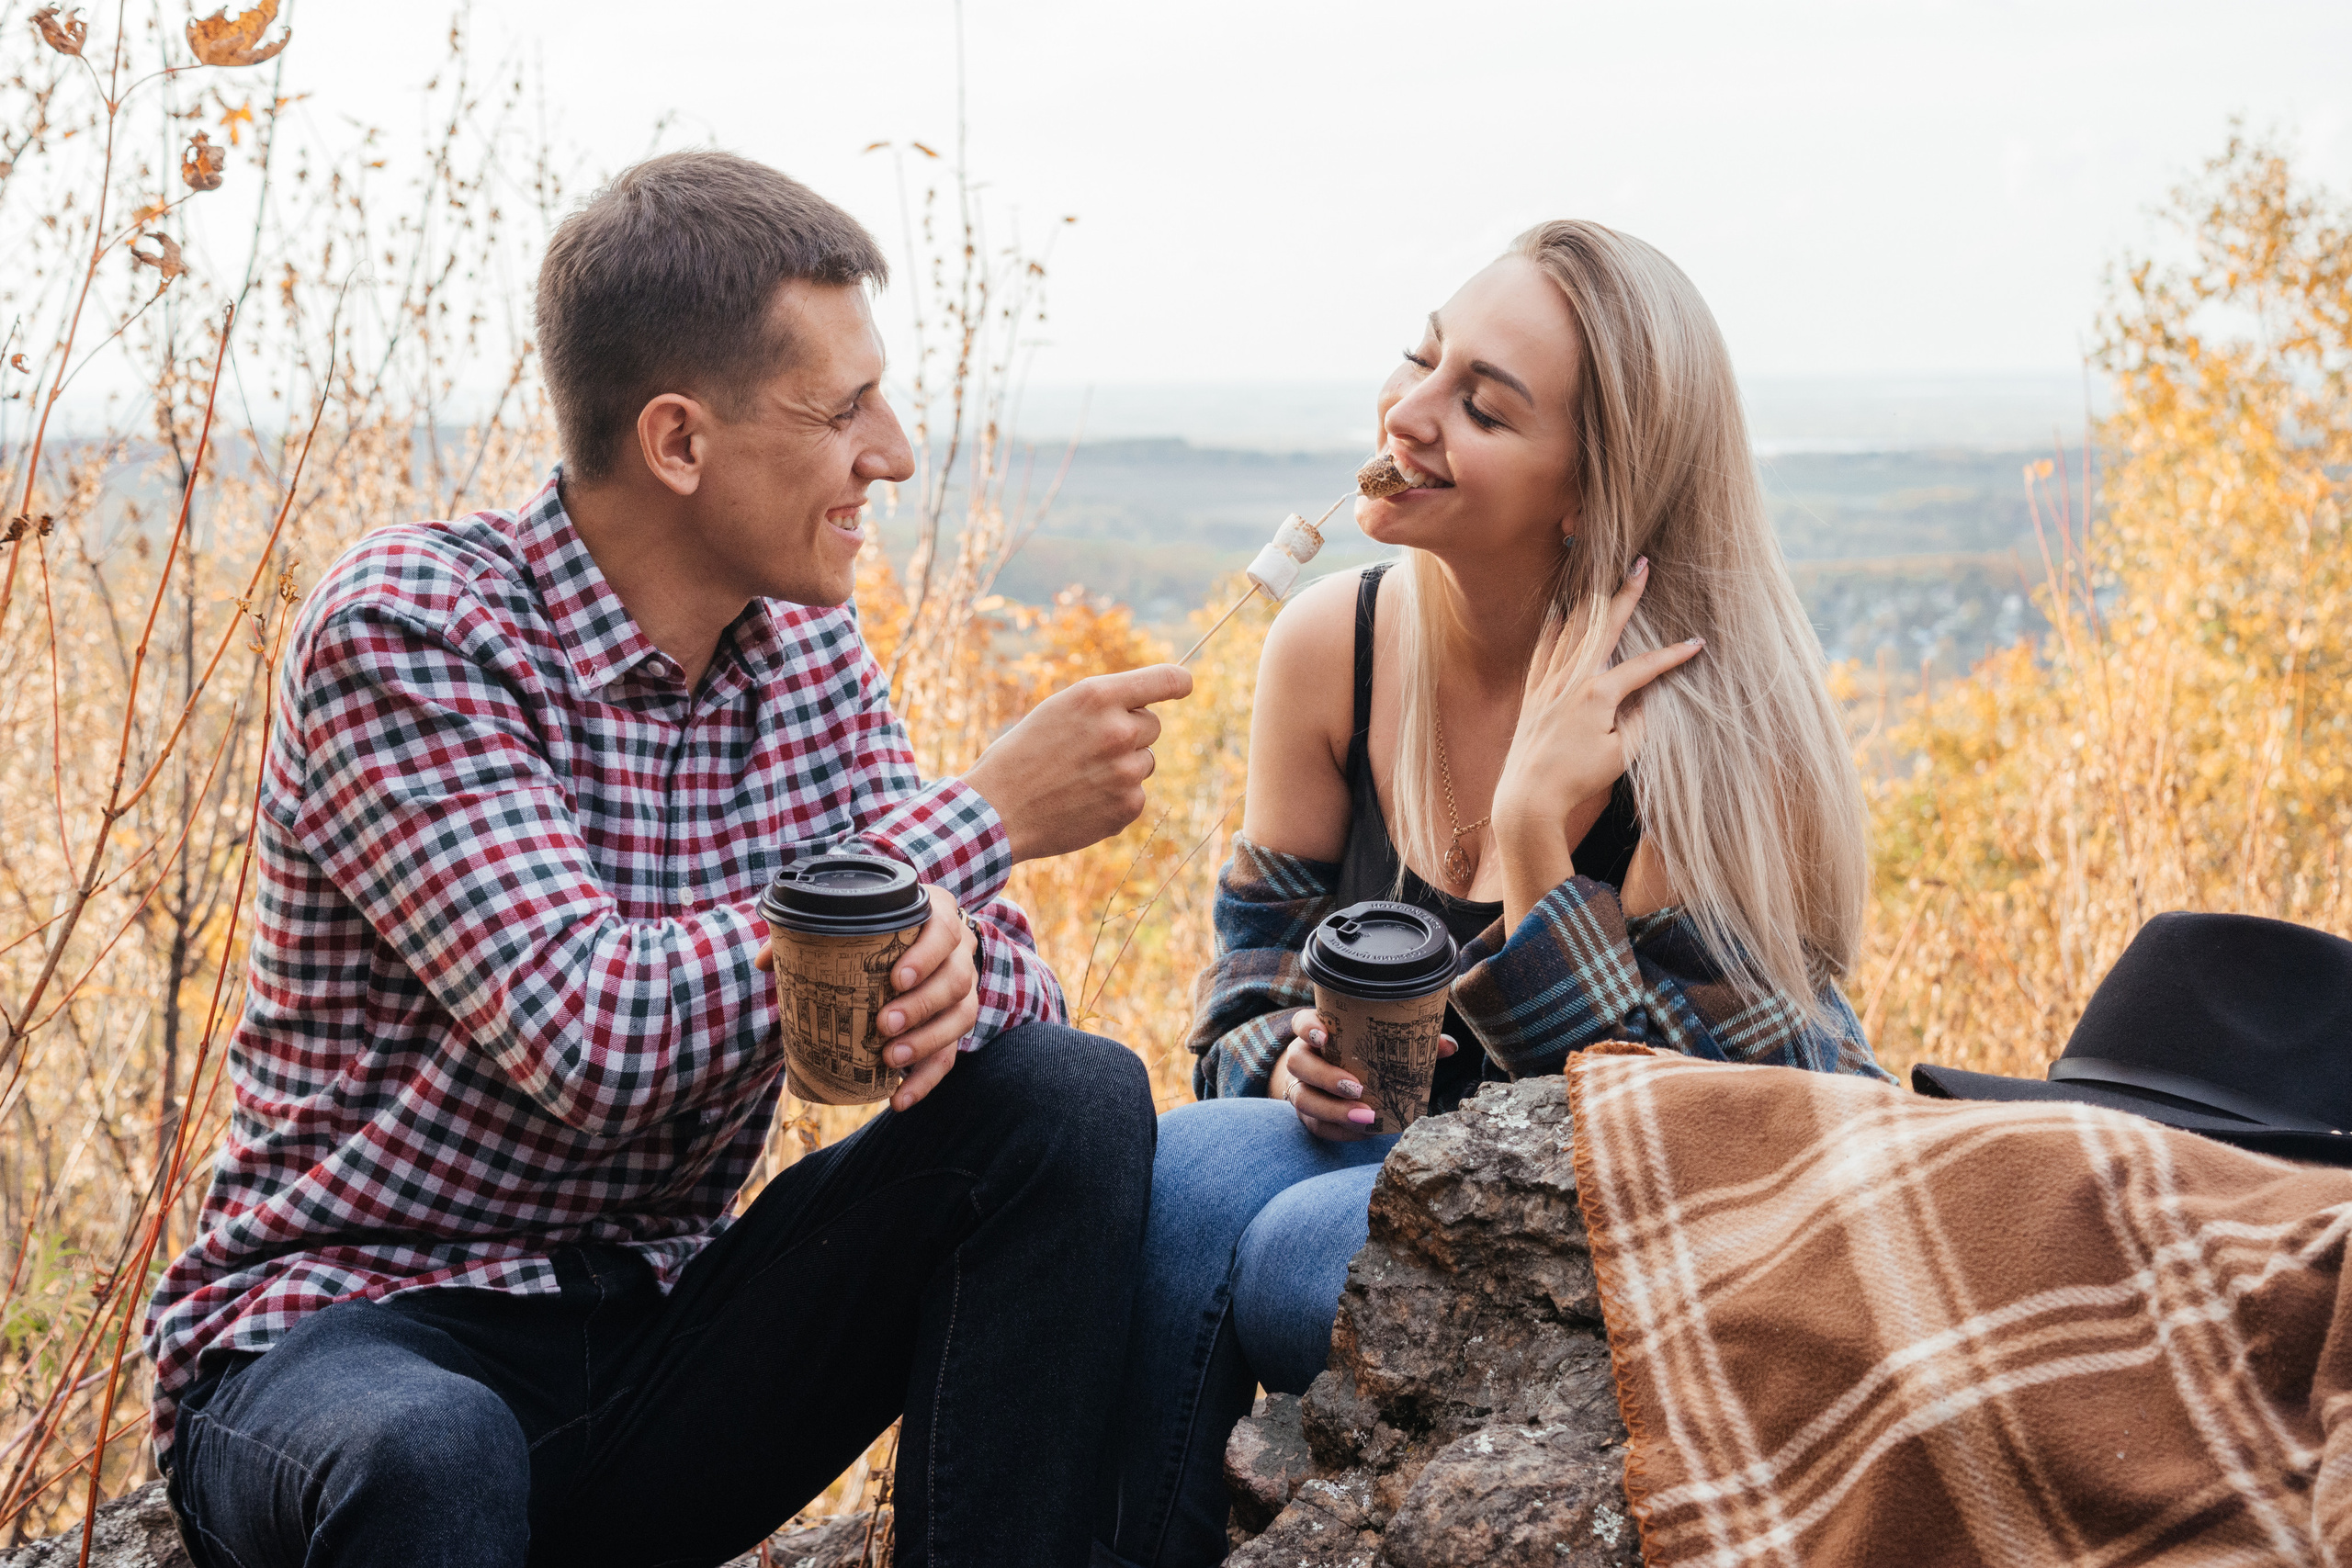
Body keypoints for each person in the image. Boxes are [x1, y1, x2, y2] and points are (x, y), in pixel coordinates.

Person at [146, 151, 1192, 1568]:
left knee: (1069, 1101)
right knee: (435, 1448)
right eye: (842, 413)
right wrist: (985, 818)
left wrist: (952, 967)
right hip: (344, 1344)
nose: (889, 452)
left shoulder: (804, 646)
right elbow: (588, 1030)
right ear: (680, 444)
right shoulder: (411, 632)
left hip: (648, 1340)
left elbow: (1008, 987)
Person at [1096, 221, 1895, 1566]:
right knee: (1177, 1174)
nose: (1408, 414)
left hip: (1643, 1209)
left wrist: (1536, 848)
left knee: (1298, 1252)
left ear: (1587, 490)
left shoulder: (1691, 728)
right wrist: (1280, 1063)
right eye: (1423, 358)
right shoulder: (1332, 649)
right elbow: (1240, 988)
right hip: (1390, 1154)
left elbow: (1741, 1127)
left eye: (1482, 405)